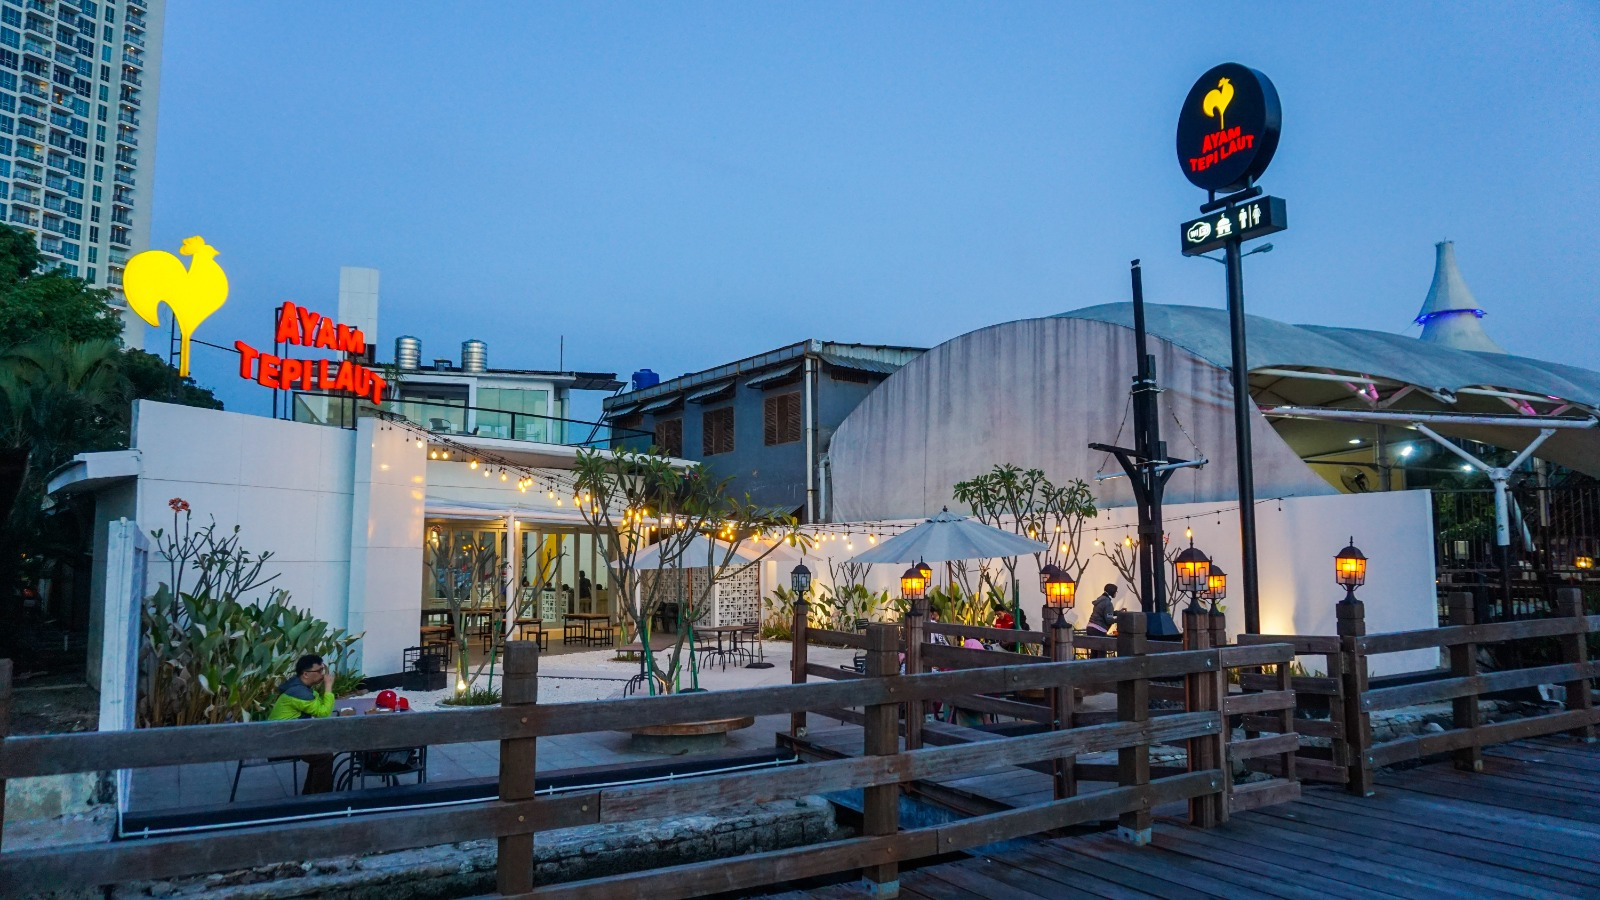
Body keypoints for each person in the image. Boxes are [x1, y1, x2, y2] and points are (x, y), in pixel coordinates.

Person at [268, 654, 337, 794]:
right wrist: (328, 686)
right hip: (282, 742)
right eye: (319, 671)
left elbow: (318, 706)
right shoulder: (298, 692)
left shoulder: (300, 687)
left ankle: (311, 795)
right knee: (324, 756)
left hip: (286, 736)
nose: (322, 674)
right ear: (305, 674)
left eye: (323, 670)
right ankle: (319, 798)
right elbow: (323, 713)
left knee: (321, 754)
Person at [1087, 584, 1119, 659]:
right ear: (1112, 592)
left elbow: (1105, 612)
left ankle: (1091, 666)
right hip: (1099, 629)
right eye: (1116, 592)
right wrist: (1119, 619)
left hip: (1091, 627)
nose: (1116, 593)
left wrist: (1117, 613)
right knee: (1101, 653)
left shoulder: (1101, 600)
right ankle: (1100, 666)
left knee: (1094, 652)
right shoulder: (1108, 603)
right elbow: (1109, 620)